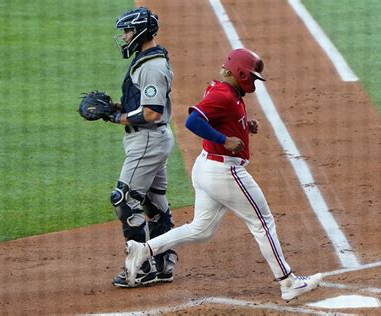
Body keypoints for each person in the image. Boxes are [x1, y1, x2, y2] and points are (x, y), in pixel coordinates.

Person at [123, 48, 323, 300]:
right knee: (262, 222)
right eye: (250, 76)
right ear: (239, 72)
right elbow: (193, 121)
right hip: (224, 170)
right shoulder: (224, 95)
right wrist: (224, 139)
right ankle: (288, 282)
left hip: (207, 168)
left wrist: (242, 127)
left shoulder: (229, 92)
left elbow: (219, 118)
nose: (253, 82)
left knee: (201, 229)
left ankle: (143, 250)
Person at [105, 7, 177, 288]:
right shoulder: (146, 60)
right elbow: (142, 106)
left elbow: (151, 113)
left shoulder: (153, 66)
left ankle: (142, 266)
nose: (124, 37)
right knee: (153, 202)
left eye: (128, 31)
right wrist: (115, 108)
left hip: (147, 139)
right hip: (152, 138)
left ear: (141, 32)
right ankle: (163, 264)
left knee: (124, 199)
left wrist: (115, 117)